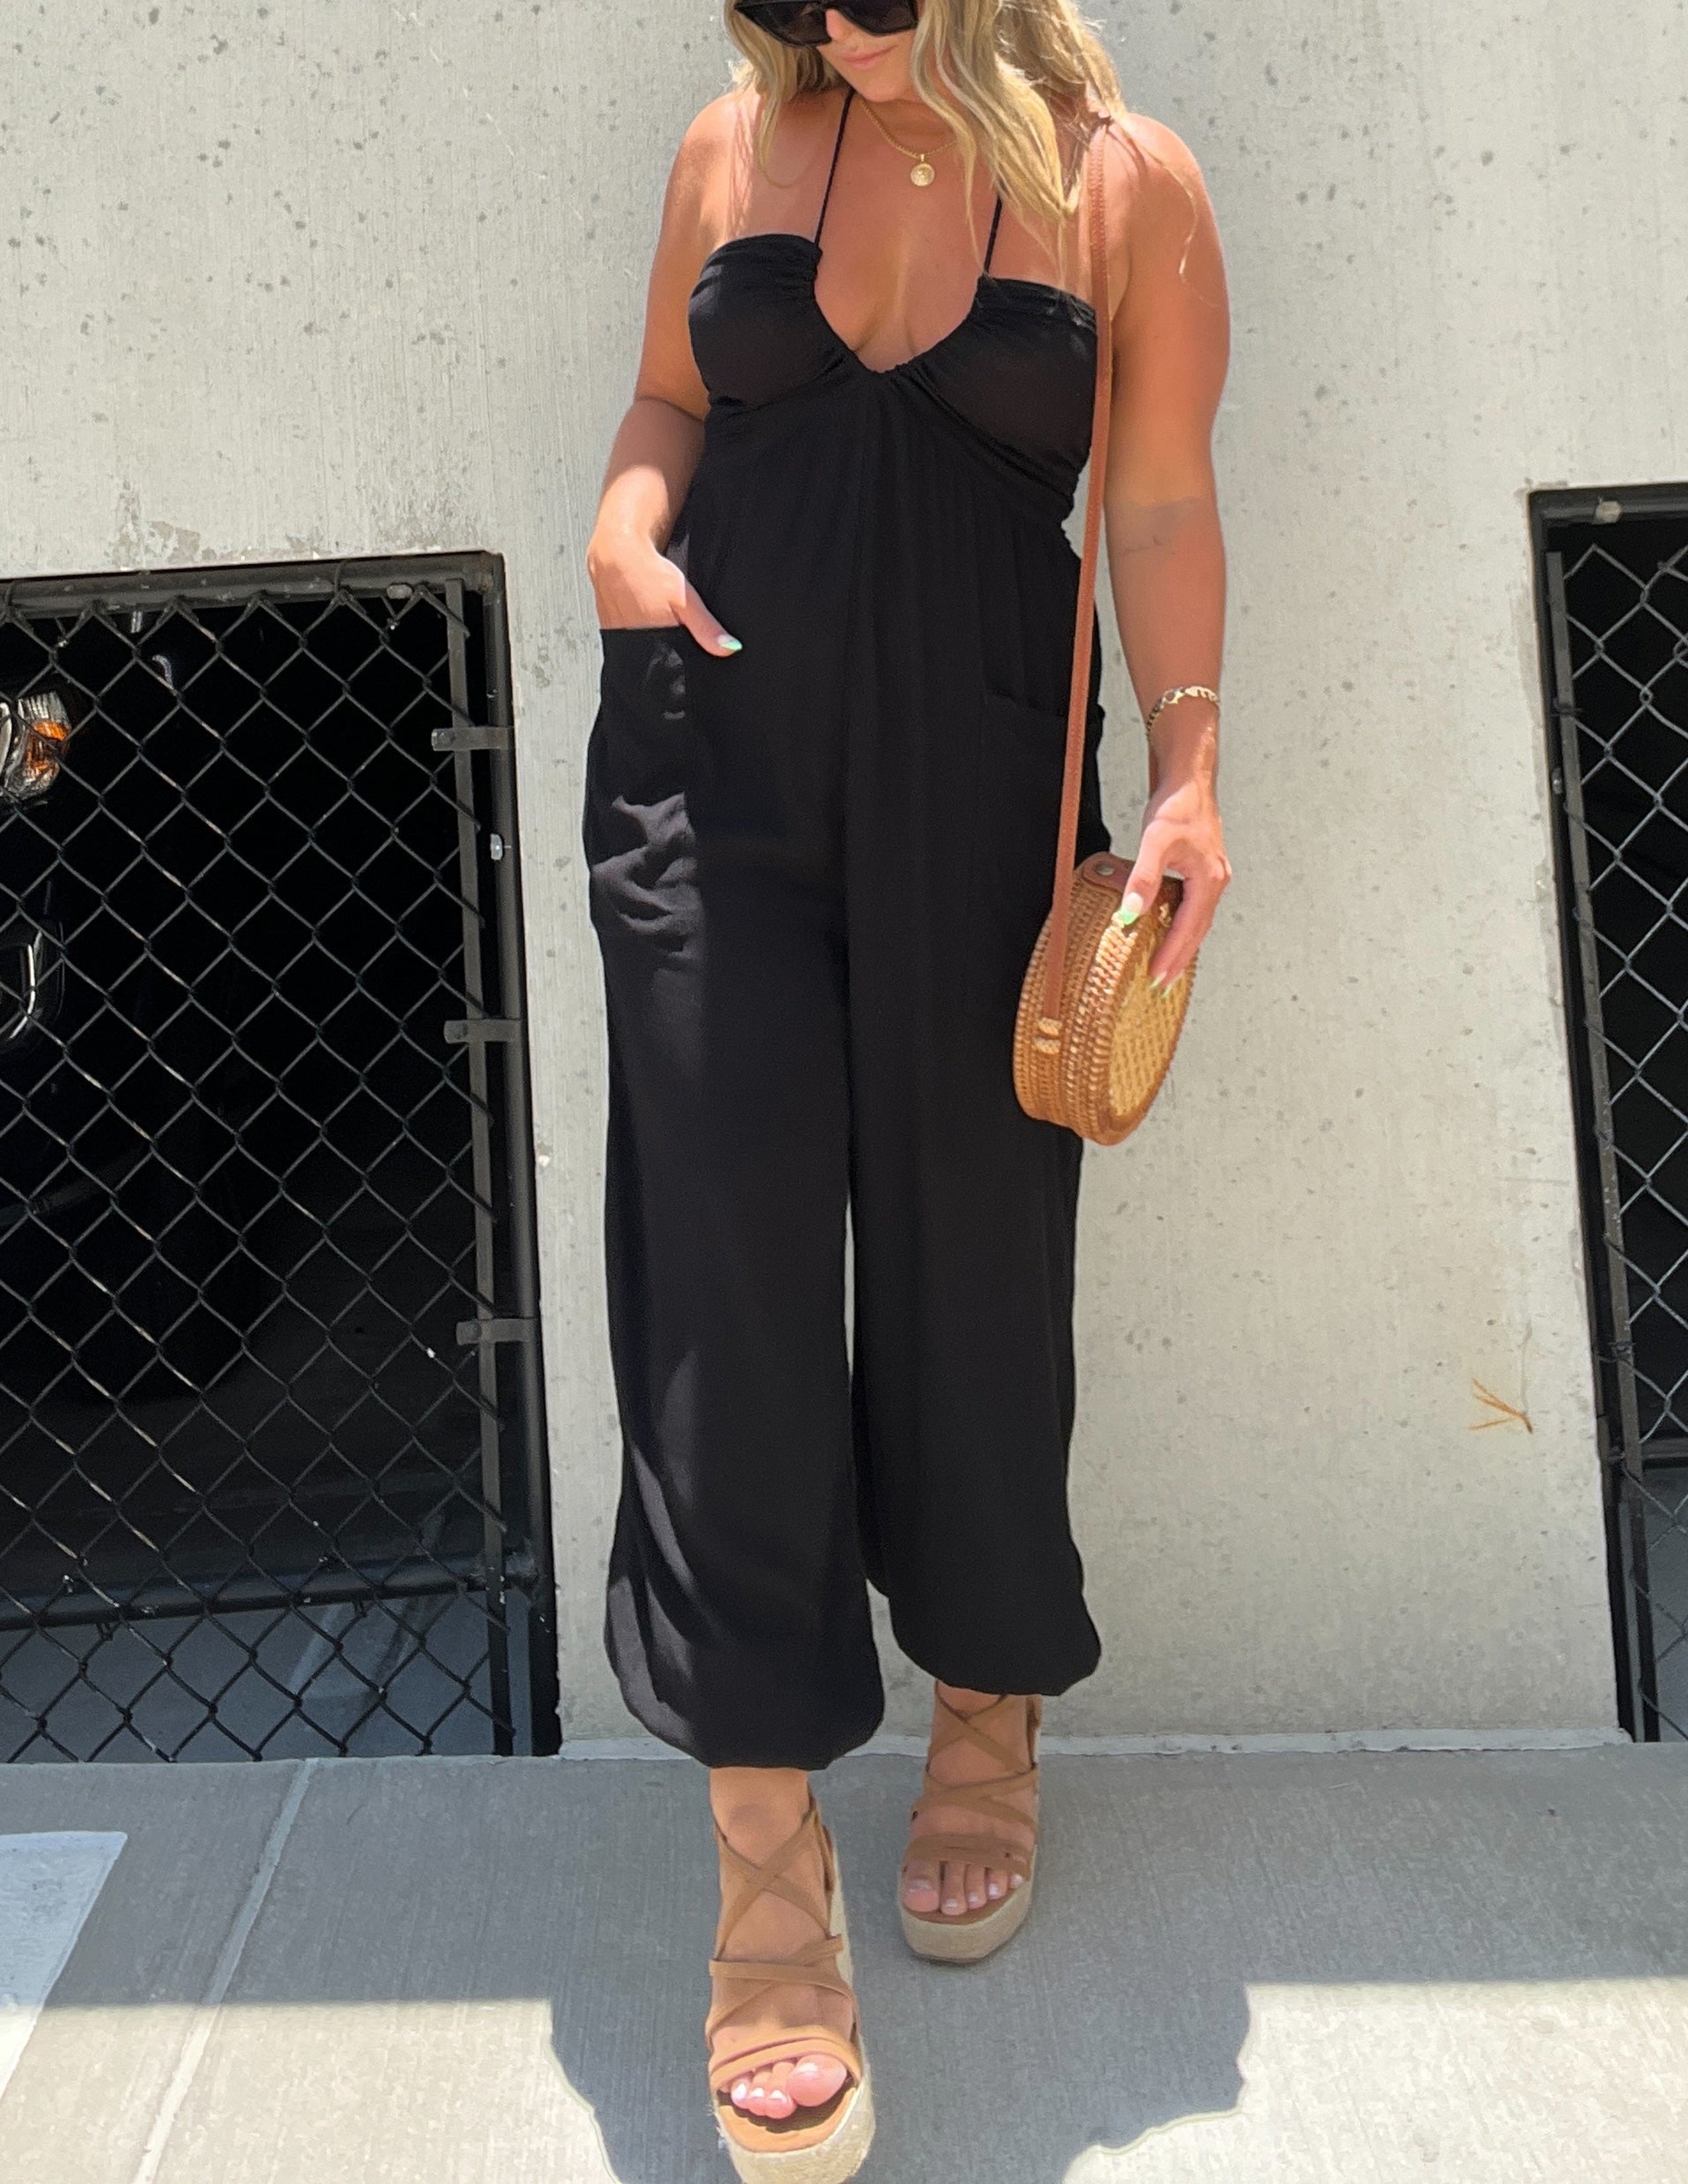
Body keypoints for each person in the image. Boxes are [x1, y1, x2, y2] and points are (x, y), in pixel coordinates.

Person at [583, 1, 1230, 2172]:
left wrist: (1194, 771)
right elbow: (668, 396)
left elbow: (1158, 493)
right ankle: (771, 1886)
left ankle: (983, 1707)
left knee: (976, 1267)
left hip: (984, 786)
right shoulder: (726, 148)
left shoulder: (1124, 184)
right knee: (725, 1297)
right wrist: (625, 523)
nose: (826, 29)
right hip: (707, 782)